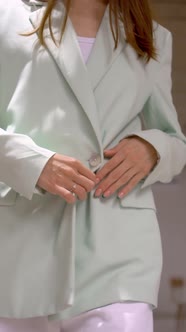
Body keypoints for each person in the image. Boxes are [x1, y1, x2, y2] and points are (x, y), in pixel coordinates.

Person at [0, 0, 185, 331]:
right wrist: (31, 164)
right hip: (21, 240)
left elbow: (175, 140)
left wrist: (152, 148)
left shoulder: (152, 36)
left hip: (118, 244)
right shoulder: (6, 15)